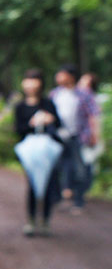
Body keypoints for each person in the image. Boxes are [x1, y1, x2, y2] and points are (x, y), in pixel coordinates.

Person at [14, 69, 61, 236]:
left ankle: (46, 220)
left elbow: (58, 124)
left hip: (47, 151)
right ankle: (31, 220)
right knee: (33, 185)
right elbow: (18, 129)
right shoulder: (20, 106)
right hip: (30, 151)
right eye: (29, 80)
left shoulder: (47, 103)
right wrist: (32, 123)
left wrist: (50, 120)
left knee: (48, 184)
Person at [49, 65, 100, 214]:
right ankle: (57, 198)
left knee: (80, 169)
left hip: (78, 136)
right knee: (57, 167)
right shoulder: (55, 94)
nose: (58, 78)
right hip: (58, 136)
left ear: (71, 76)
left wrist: (94, 134)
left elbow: (93, 115)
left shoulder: (83, 94)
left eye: (61, 74)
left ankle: (78, 200)